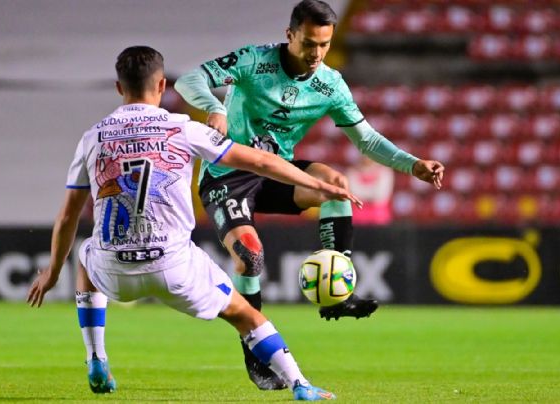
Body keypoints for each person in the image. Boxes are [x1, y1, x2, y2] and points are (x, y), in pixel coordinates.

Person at [27, 45, 363, 401]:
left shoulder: (92, 137)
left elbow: (68, 216)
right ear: (161, 86)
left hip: (115, 271)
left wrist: (51, 272)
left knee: (85, 254)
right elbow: (260, 163)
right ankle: (300, 385)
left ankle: (96, 358)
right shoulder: (182, 129)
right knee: (245, 315)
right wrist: (316, 183)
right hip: (174, 267)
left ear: (118, 87)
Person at [174, 0, 444, 390]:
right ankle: (256, 352)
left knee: (335, 185)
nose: (316, 54)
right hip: (227, 175)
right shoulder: (254, 61)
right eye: (308, 44)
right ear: (289, 35)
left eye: (324, 45)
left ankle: (337, 291)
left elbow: (365, 140)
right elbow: (190, 80)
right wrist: (212, 106)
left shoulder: (329, 84)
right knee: (250, 257)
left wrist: (412, 163)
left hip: (275, 173)